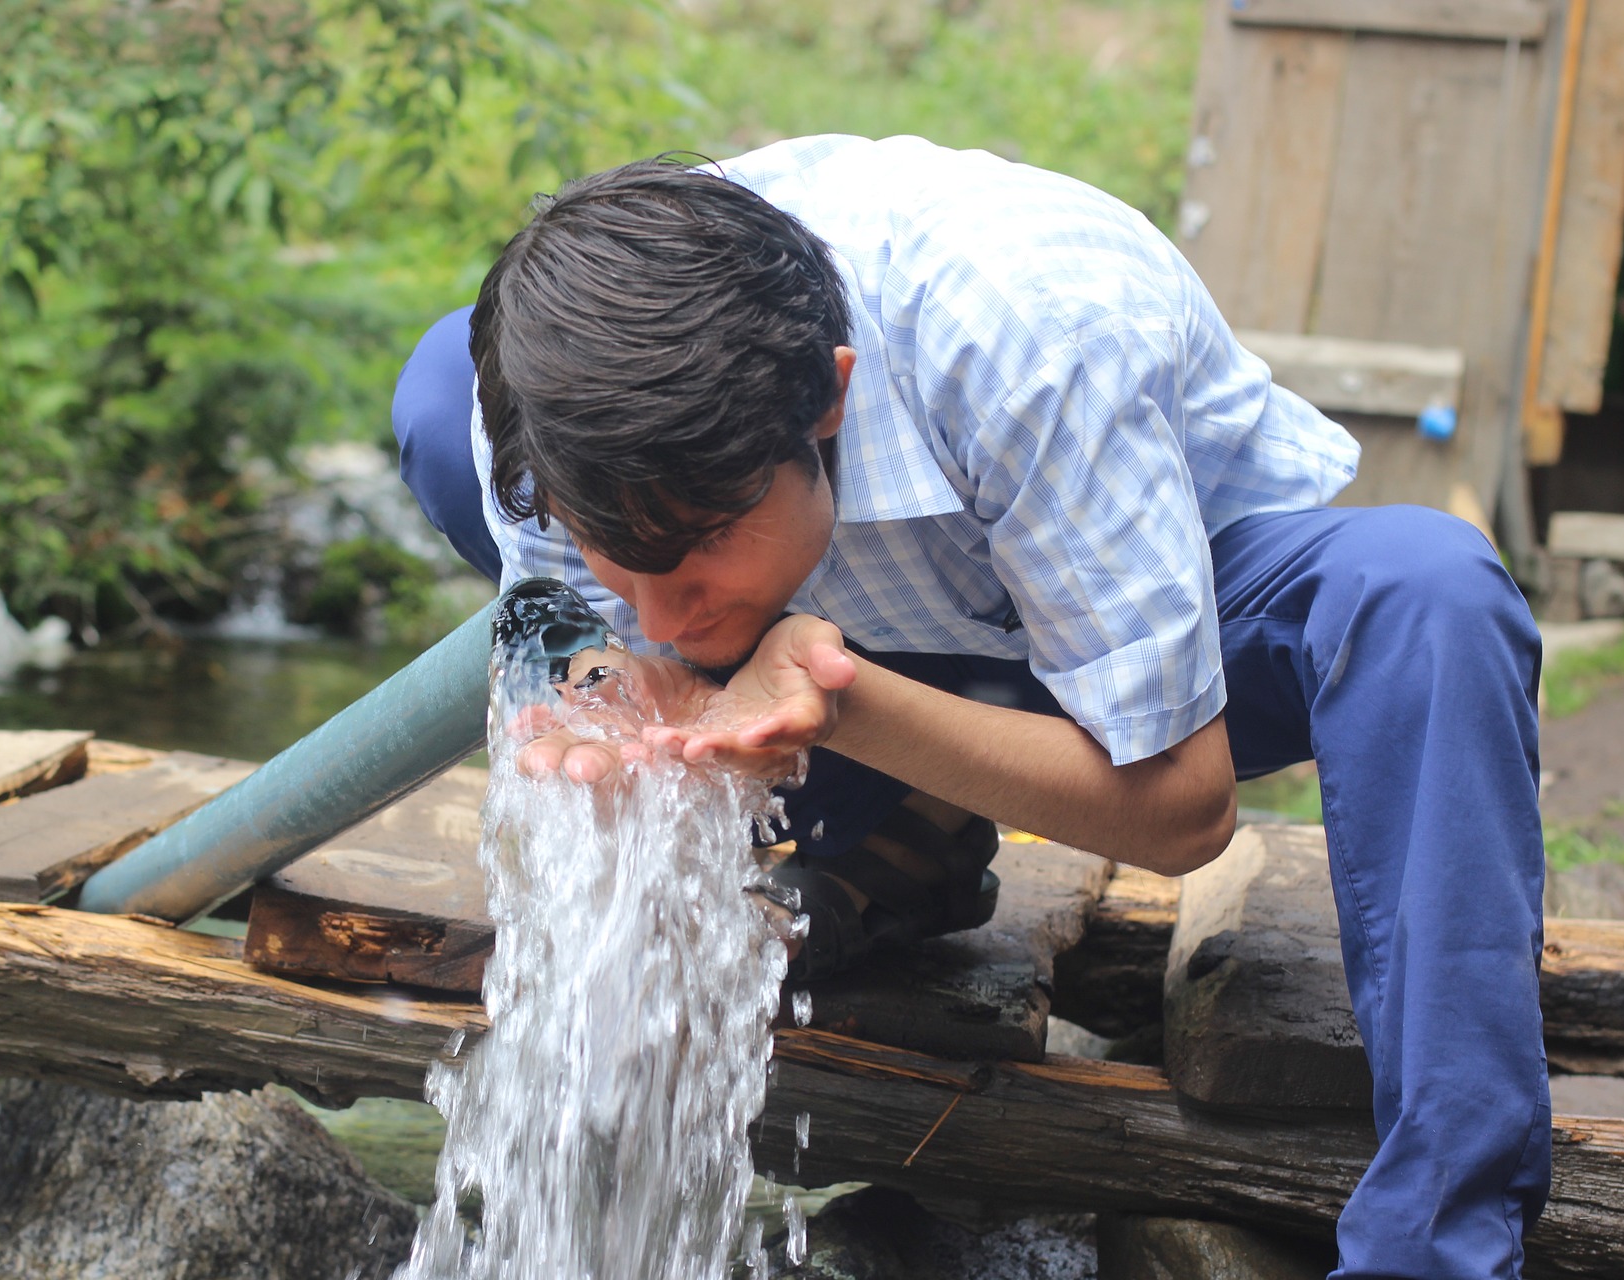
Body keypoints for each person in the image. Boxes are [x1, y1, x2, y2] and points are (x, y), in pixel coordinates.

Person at [390, 135, 1549, 1279]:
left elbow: (1186, 811)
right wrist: (606, 686)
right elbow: (585, 621)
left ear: (830, 403)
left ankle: (1433, 1241)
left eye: (694, 549)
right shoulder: (551, 405)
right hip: (848, 641)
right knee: (438, 391)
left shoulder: (1036, 336)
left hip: (1130, 647)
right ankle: (898, 849)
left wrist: (842, 704)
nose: (655, 608)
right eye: (616, 554)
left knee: (1428, 594)